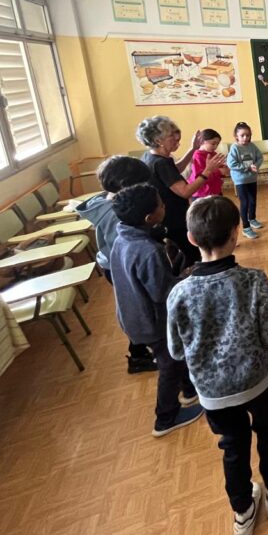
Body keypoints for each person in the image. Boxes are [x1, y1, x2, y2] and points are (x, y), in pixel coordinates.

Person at [167, 196, 268, 535]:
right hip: (258, 382)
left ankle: (242, 511)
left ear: (191, 238)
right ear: (236, 233)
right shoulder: (254, 280)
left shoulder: (179, 293)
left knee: (233, 446)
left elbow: (176, 350)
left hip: (213, 394)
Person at [109, 184, 203, 437]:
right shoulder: (148, 251)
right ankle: (166, 417)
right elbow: (162, 292)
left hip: (132, 314)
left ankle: (190, 390)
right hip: (151, 321)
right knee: (169, 364)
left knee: (176, 356)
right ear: (149, 217)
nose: (164, 206)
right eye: (161, 204)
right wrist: (186, 275)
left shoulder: (122, 238)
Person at [76, 155, 156, 373]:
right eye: (141, 184)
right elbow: (126, 247)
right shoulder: (115, 213)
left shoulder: (108, 202)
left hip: (116, 265)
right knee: (139, 308)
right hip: (121, 266)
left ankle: (140, 351)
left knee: (138, 306)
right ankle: (139, 355)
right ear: (125, 185)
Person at [138, 115, 225, 264]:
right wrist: (207, 171)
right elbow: (185, 191)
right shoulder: (160, 163)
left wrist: (192, 149)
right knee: (191, 256)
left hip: (170, 216)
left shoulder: (153, 156)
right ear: (158, 140)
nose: (177, 140)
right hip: (173, 218)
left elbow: (175, 170)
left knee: (179, 254)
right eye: (172, 137)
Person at [227, 122, 265, 239]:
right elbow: (231, 164)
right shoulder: (234, 148)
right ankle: (246, 227)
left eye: (247, 135)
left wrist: (256, 166)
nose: (245, 138)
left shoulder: (252, 146)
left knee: (253, 200)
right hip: (240, 180)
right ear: (236, 136)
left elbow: (260, 157)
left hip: (252, 178)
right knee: (245, 202)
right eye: (242, 135)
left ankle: (252, 219)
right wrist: (247, 167)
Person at [189, 128, 228, 198]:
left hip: (215, 191)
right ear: (202, 141)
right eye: (213, 143)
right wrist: (219, 172)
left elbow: (217, 170)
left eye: (217, 144)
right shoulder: (197, 156)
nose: (215, 146)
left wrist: (224, 169)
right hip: (202, 194)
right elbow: (199, 178)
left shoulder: (214, 154)